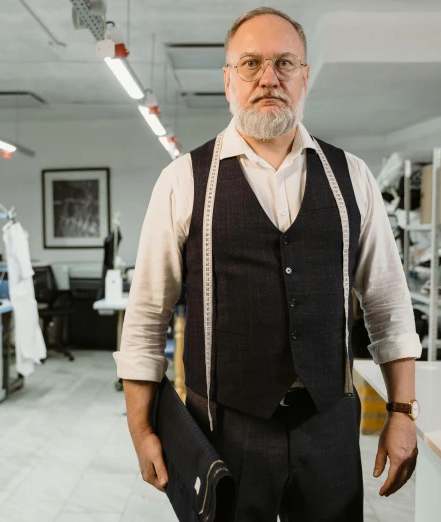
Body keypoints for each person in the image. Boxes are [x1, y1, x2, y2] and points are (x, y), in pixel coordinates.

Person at [114, 7, 420, 521]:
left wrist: (402, 411)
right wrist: (141, 429)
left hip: (329, 421)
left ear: (305, 77)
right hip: (224, 424)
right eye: (251, 63)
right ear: (228, 80)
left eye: (284, 63)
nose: (268, 78)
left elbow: (388, 304)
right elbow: (146, 317)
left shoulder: (355, 178)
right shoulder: (183, 180)